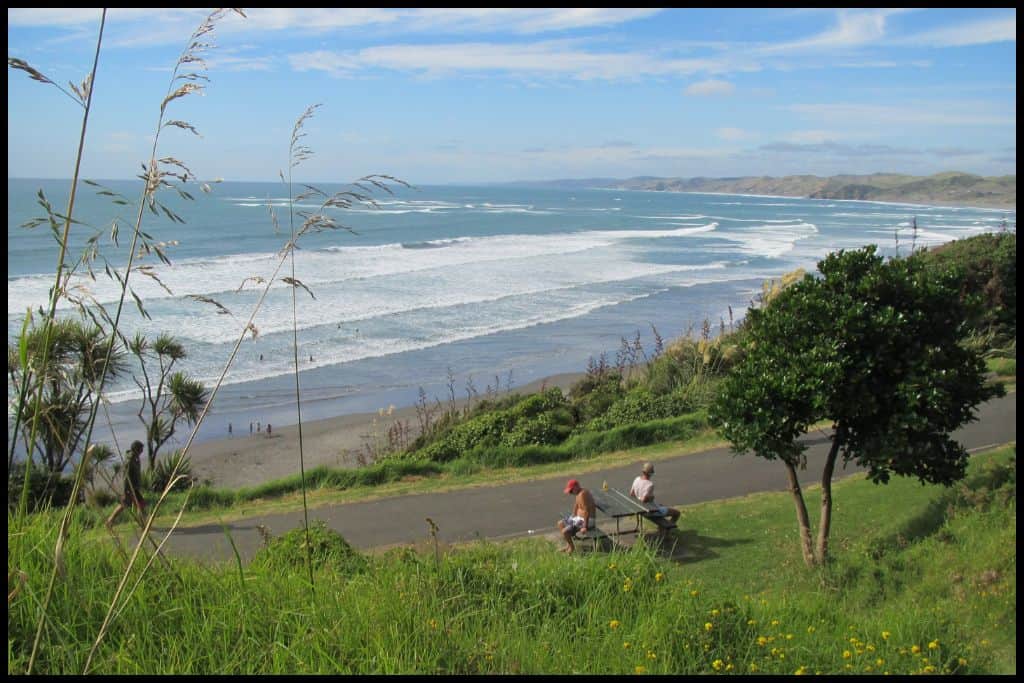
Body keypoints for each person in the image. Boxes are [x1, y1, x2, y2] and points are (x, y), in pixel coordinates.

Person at [105, 440, 146, 529]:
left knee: (125, 505)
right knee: (140, 504)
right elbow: (125, 477)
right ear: (135, 449)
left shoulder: (135, 458)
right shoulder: (130, 461)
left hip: (134, 488)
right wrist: (126, 491)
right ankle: (143, 524)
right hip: (130, 488)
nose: (142, 451)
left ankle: (110, 521)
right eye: (140, 449)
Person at [629, 462, 680, 527]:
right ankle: (667, 530)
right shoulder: (649, 484)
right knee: (677, 513)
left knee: (661, 506)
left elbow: (631, 494)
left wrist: (640, 497)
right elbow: (644, 500)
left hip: (640, 509)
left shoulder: (637, 479)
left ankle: (664, 528)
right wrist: (651, 498)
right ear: (650, 473)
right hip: (651, 511)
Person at [556, 478, 596, 554]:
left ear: (576, 487)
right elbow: (577, 505)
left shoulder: (583, 494)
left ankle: (572, 547)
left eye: (571, 490)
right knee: (560, 523)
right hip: (578, 519)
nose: (570, 492)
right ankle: (568, 544)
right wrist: (573, 515)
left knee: (565, 531)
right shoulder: (578, 493)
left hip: (587, 521)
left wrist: (585, 526)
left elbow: (586, 511)